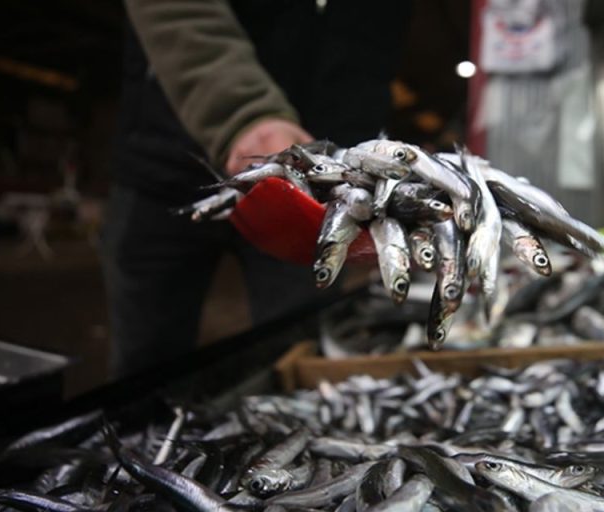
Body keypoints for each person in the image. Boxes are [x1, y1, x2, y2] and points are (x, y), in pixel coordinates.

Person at [103, 0, 412, 377]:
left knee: (295, 359)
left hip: (321, 202)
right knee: (146, 368)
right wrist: (243, 114)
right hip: (166, 166)